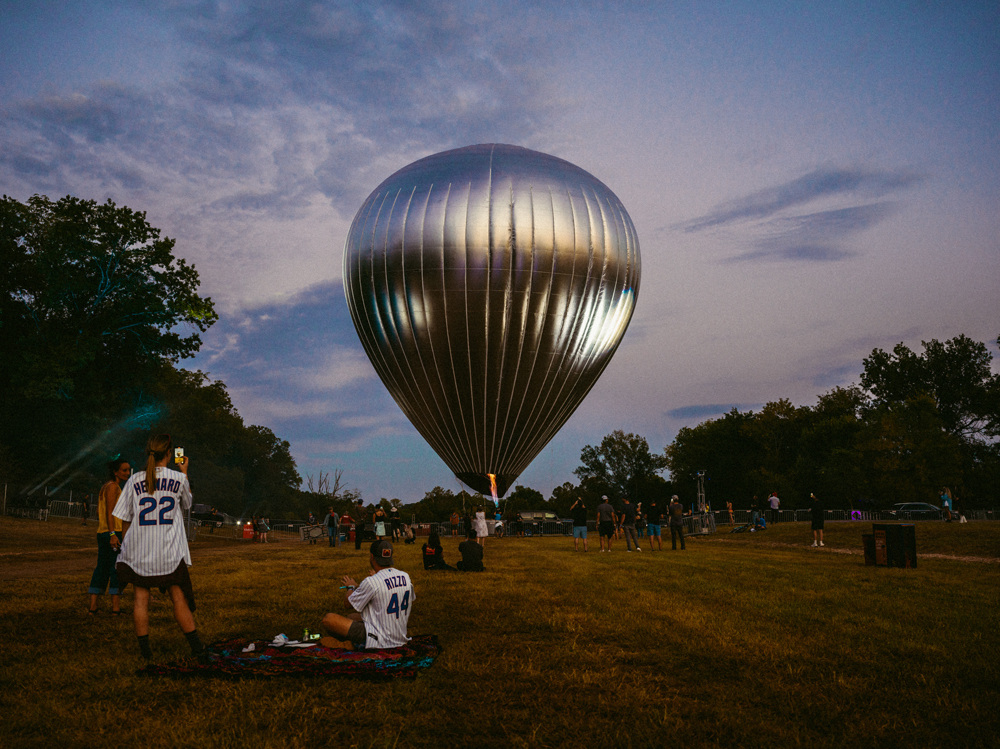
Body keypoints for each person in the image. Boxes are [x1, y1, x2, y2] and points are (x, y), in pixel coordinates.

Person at [113, 434, 205, 662]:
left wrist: (126, 544)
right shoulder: (178, 478)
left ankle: (146, 653)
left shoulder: (134, 480)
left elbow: (124, 516)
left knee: (140, 600)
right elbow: (187, 504)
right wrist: (184, 472)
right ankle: (197, 649)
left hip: (140, 550)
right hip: (168, 552)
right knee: (178, 598)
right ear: (169, 453)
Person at [321, 539, 414, 650]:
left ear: (372, 557)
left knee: (329, 619)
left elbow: (348, 604)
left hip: (378, 639)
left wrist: (351, 587)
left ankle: (349, 645)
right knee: (352, 618)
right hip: (399, 635)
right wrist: (360, 586)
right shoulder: (405, 576)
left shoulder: (372, 581)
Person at [87, 457, 130, 615]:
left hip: (102, 532)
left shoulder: (105, 487)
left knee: (102, 568)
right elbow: (110, 511)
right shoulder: (113, 487)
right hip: (113, 533)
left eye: (128, 470)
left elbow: (100, 511)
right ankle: (115, 608)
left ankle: (93, 606)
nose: (127, 473)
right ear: (115, 472)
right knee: (115, 569)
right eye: (124, 470)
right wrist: (113, 534)